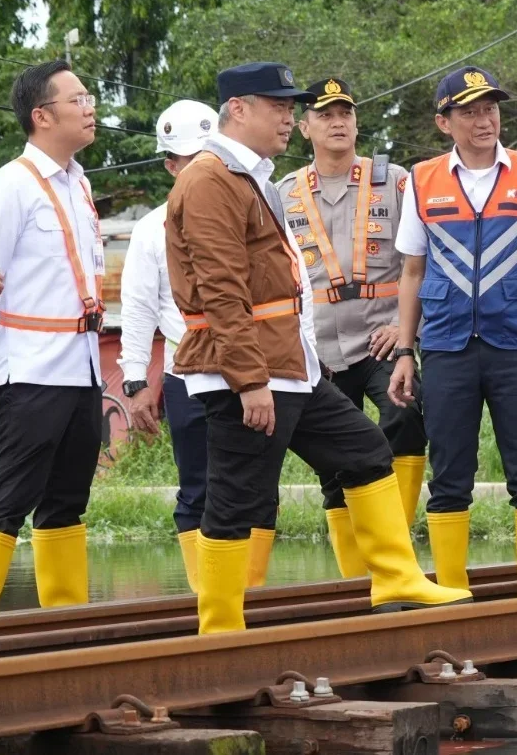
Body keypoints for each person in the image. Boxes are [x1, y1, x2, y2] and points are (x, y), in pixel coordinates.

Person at [168, 62, 471, 634]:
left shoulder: (249, 174)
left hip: (291, 368)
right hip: (252, 370)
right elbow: (222, 291)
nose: (288, 117)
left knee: (362, 449)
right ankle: (219, 628)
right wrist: (249, 380)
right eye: (278, 106)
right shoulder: (210, 179)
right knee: (236, 496)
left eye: (290, 106)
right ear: (238, 108)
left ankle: (396, 578)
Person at [388, 66, 517, 598]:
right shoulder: (421, 179)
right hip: (446, 345)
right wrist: (405, 351)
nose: (484, 119)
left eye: (490, 107)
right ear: (443, 122)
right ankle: (452, 592)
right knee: (449, 475)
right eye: (469, 111)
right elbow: (412, 272)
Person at [0, 60, 105, 615]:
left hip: (81, 368)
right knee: (10, 498)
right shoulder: (10, 186)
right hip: (27, 373)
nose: (90, 108)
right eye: (78, 99)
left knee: (68, 499)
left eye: (89, 97)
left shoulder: (80, 184)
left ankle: (64, 621)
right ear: (42, 116)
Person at [274, 77, 425, 579]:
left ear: (357, 122)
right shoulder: (283, 193)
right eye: (325, 115)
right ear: (304, 127)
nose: (338, 122)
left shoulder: (395, 180)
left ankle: (394, 546)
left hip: (382, 337)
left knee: (405, 416)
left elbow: (421, 263)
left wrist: (408, 335)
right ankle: (353, 577)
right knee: (332, 456)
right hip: (319, 346)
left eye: (345, 113)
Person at [118, 99, 219, 591]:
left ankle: (251, 597)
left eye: (207, 156)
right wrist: (136, 383)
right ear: (169, 165)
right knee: (197, 489)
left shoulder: (253, 207)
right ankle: (208, 600)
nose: (198, 167)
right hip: (188, 375)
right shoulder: (149, 229)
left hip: (251, 374)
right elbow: (136, 310)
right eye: (186, 160)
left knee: (252, 488)